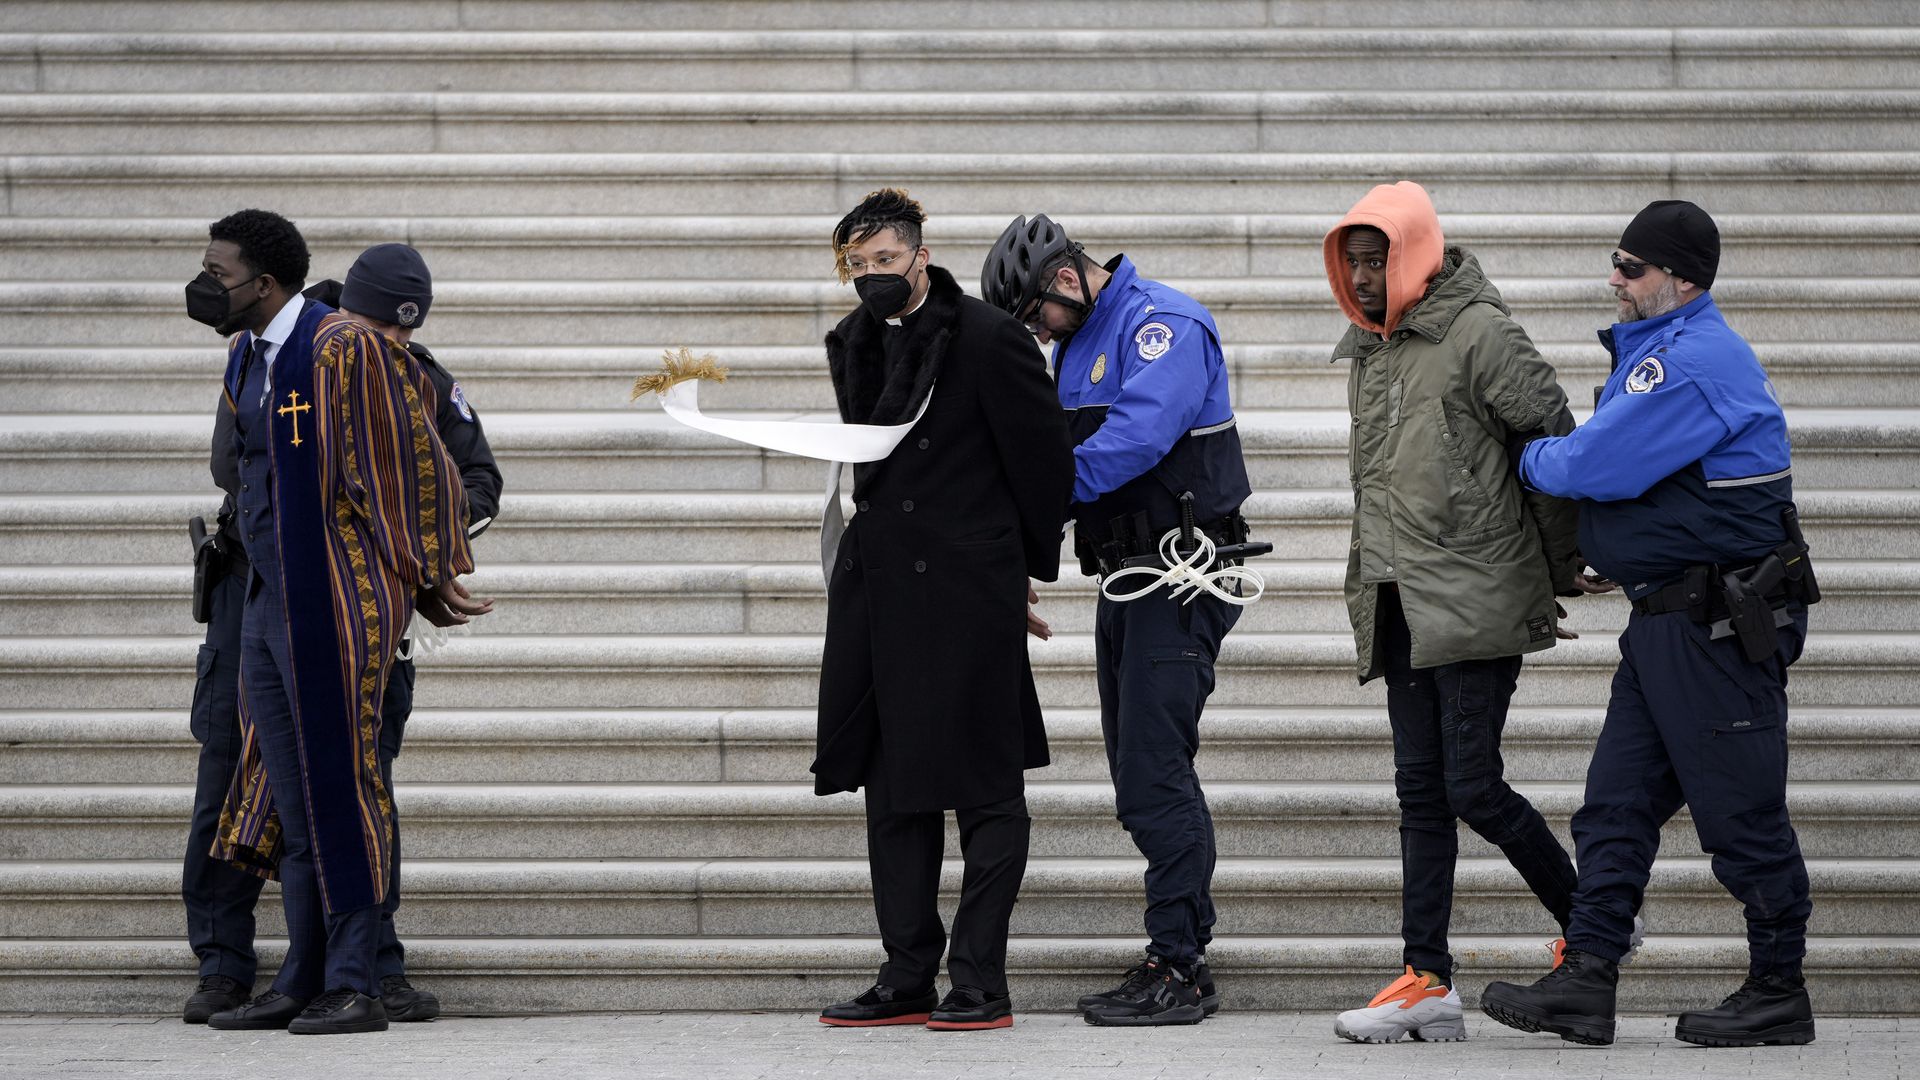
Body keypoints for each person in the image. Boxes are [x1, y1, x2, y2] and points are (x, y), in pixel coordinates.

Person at [1481, 200, 1818, 1048]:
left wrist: (1526, 452)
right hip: (1670, 619)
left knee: (1743, 818)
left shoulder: (1691, 362)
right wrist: (1624, 551)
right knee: (1614, 806)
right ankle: (1586, 980)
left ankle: (1779, 989)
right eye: (1616, 262)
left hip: (1714, 627)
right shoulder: (1669, 352)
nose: (1616, 280)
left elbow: (1591, 462)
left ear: (1682, 278)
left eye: (1632, 268)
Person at [176, 241, 502, 1026]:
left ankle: (359, 975)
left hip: (342, 599)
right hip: (260, 596)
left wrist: (423, 568)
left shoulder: (375, 359)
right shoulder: (261, 358)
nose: (388, 342)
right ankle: (278, 970)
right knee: (268, 788)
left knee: (347, 784)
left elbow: (439, 472)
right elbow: (239, 468)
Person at [1312, 180, 1599, 1044]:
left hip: (1475, 593)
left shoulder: (1479, 332)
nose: (1363, 279)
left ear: (1418, 254)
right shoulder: (1373, 348)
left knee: (1471, 785)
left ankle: (1594, 927)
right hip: (1402, 599)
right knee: (1420, 794)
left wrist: (1562, 565)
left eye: (1379, 260)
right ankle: (1426, 978)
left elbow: (1549, 442)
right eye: (1353, 263)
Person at [981, 214, 1253, 1026]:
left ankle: (1180, 967)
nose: (1035, 333)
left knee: (1153, 774)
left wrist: (1038, 495)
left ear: (1065, 280)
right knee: (1139, 778)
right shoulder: (1078, 343)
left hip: (1181, 575)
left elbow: (1134, 440)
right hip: (1127, 577)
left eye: (1034, 317)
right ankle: (1172, 954)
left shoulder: (1162, 324)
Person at [811, 190, 1074, 1032]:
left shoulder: (992, 338)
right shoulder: (852, 342)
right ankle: (906, 973)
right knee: (891, 789)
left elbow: (1042, 465)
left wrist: (1021, 574)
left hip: (966, 588)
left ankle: (980, 981)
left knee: (987, 790)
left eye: (885, 260)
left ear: (920, 256)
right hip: (881, 589)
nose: (872, 277)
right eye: (858, 266)